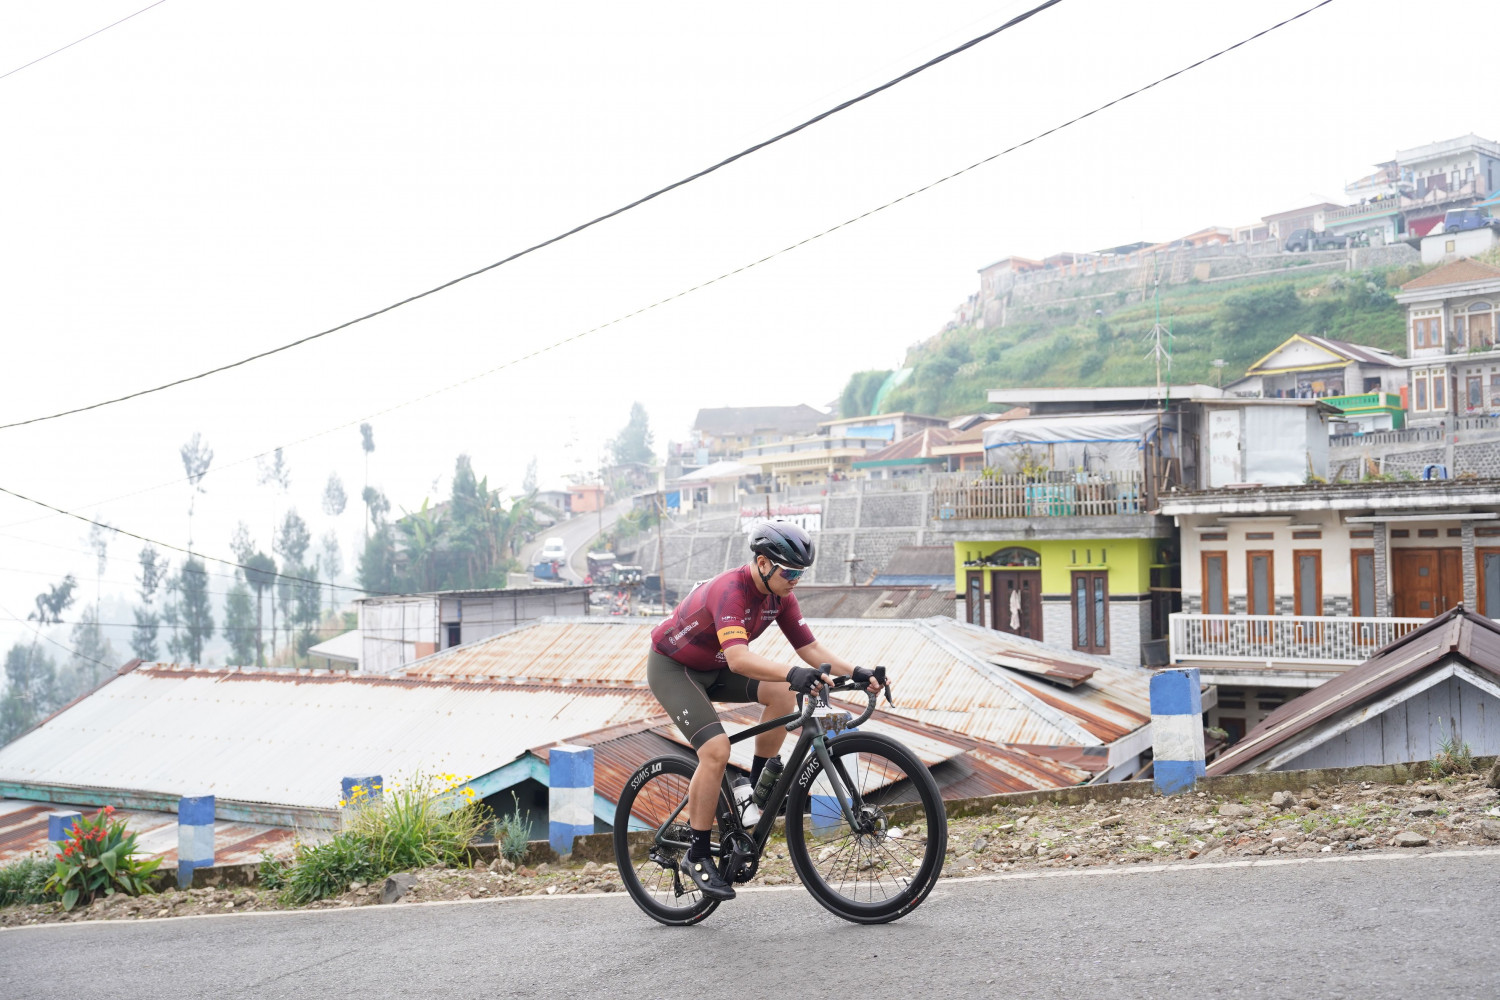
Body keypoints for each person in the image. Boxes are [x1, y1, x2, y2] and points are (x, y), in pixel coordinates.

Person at [646, 520, 882, 901]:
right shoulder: (730, 590)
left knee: (784, 694)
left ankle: (754, 794)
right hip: (675, 668)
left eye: (801, 574)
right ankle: (697, 853)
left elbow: (810, 649)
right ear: (762, 563)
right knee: (716, 750)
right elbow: (739, 659)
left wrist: (857, 671)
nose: (795, 581)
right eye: (790, 573)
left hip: (714, 665)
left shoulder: (781, 595)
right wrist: (793, 673)